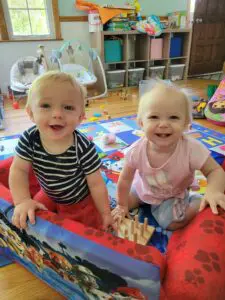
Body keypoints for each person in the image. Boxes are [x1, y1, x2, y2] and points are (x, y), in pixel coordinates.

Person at [9, 71, 115, 231]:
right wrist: (23, 200)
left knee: (80, 233)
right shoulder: (29, 138)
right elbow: (18, 170)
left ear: (80, 117)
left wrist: (106, 213)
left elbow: (96, 184)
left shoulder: (83, 147)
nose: (57, 114)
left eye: (68, 107)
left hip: (78, 202)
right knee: (30, 217)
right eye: (46, 106)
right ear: (30, 113)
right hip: (48, 193)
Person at [112, 81, 225, 230]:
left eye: (173, 117)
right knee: (116, 202)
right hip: (143, 189)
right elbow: (125, 179)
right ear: (141, 123)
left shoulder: (191, 148)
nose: (164, 124)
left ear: (186, 123)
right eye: (154, 117)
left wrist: (214, 191)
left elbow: (215, 171)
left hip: (172, 195)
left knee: (172, 223)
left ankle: (195, 201)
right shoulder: (136, 150)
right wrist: (121, 205)